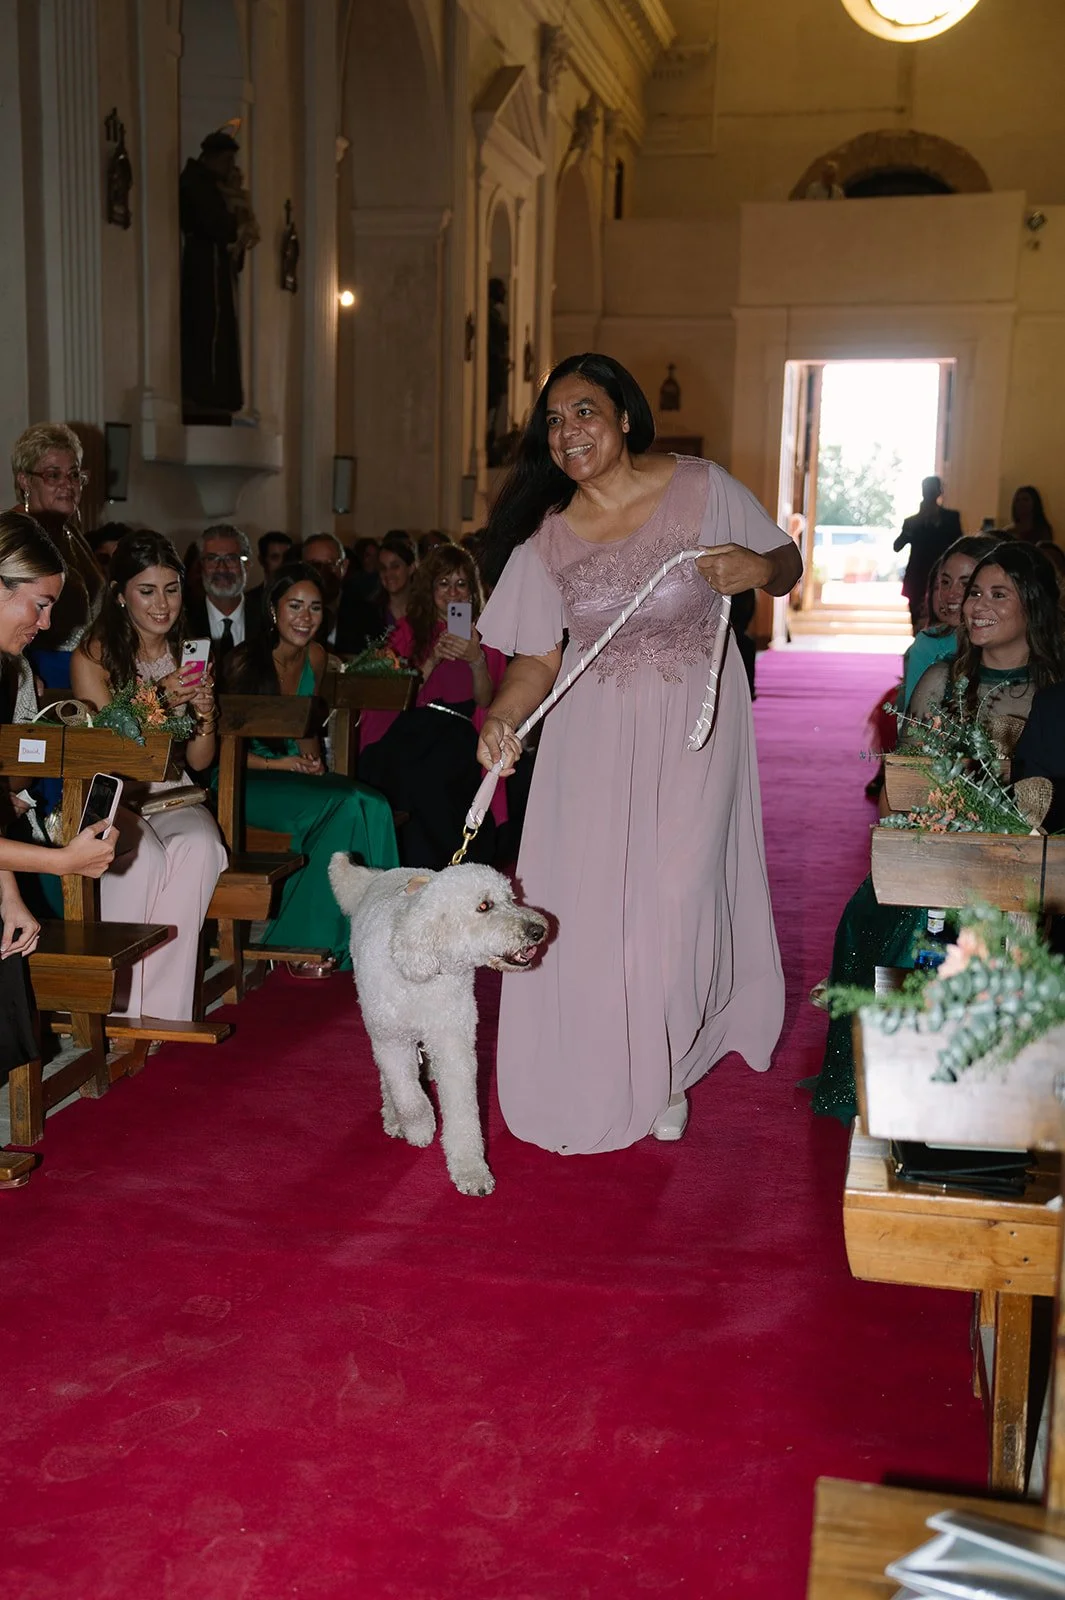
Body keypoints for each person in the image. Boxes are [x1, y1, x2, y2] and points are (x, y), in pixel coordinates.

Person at [473, 352, 799, 1154]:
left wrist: (758, 567)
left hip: (696, 725)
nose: (566, 431)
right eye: (551, 420)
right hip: (588, 741)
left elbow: (784, 561)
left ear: (624, 416)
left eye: (582, 410)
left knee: (679, 897)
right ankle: (623, 1060)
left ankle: (670, 1062)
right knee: (596, 909)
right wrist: (502, 719)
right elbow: (534, 659)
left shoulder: (701, 487)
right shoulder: (546, 542)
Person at [812, 541, 1065, 1123]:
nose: (976, 605)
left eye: (998, 594)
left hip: (1021, 871)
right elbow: (906, 792)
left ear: (1034, 607)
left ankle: (969, 1084)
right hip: (934, 860)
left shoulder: (1054, 696)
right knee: (885, 914)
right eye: (975, 592)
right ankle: (884, 1077)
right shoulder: (941, 682)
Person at [71, 532, 228, 1023]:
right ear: (120, 594)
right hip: (117, 792)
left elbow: (200, 761)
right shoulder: (93, 657)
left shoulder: (191, 652)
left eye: (172, 589)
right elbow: (108, 750)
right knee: (141, 860)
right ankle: (118, 1011)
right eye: (147, 591)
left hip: (174, 792)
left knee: (200, 848)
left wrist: (204, 712)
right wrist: (157, 700)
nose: (163, 605)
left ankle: (164, 1013)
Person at [221, 563, 399, 975]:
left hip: (287, 774)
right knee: (344, 805)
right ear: (273, 610)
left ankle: (382, 934)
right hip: (241, 777)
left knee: (373, 802)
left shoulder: (315, 656)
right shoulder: (244, 662)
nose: (305, 617)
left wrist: (311, 760)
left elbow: (304, 724)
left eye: (315, 608)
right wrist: (277, 762)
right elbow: (218, 751)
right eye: (295, 606)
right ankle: (301, 941)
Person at [0, 513, 117, 1101]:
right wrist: (61, 862)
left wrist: (10, 896)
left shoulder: (5, 672)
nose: (47, 625)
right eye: (39, 605)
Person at [359, 544, 507, 870]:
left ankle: (447, 868)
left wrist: (476, 659)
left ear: (472, 589)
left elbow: (485, 700)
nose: (452, 592)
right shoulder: (409, 631)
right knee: (407, 772)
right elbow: (401, 696)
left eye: (461, 583)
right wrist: (434, 658)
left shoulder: (486, 634)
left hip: (459, 731)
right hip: (412, 727)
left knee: (437, 775)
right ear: (430, 589)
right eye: (443, 583)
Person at [10, 422, 105, 687]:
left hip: (87, 668)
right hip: (38, 671)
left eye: (74, 474)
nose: (67, 484)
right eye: (53, 475)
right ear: (25, 480)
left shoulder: (70, 532)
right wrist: (22, 674)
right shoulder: (15, 533)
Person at [179, 128, 258, 419]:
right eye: (227, 162)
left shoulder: (213, 186)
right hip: (203, 266)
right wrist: (233, 218)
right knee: (206, 329)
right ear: (213, 159)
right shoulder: (196, 183)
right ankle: (204, 392)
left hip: (216, 266)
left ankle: (220, 394)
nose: (230, 169)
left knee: (221, 330)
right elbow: (217, 225)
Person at [185, 523, 262, 671]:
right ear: (201, 566)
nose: (221, 568)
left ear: (246, 565)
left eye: (230, 559)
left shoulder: (267, 619)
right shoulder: (185, 621)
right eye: (212, 559)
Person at [893, 475, 963, 633]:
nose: (929, 493)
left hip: (943, 576)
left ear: (939, 492)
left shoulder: (950, 518)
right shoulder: (912, 521)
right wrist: (914, 526)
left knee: (943, 620)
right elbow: (897, 546)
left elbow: (959, 544)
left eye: (932, 489)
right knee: (917, 623)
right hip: (917, 578)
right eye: (926, 490)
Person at [301, 532, 378, 655]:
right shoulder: (289, 613)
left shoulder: (367, 615)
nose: (322, 573)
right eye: (315, 565)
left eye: (330, 565)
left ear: (344, 566)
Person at [375, 532, 417, 634]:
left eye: (395, 566)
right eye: (383, 568)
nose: (388, 573)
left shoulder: (425, 612)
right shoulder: (369, 614)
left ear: (411, 568)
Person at [245, 532, 294, 618]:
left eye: (287, 557)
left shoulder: (301, 597)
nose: (282, 563)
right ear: (261, 560)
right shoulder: (247, 602)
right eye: (275, 557)